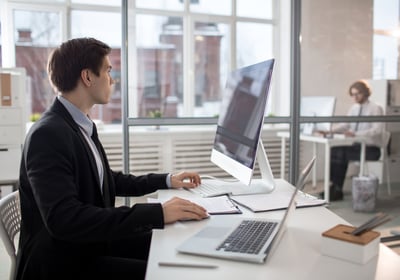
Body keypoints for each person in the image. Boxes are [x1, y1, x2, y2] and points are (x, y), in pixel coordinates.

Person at [16, 38, 209, 280]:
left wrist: (168, 180)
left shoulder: (78, 124)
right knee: (169, 271)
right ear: (88, 77)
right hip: (64, 263)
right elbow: (64, 219)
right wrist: (157, 213)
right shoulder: (48, 134)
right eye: (108, 71)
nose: (112, 79)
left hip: (89, 244)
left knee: (175, 246)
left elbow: (107, 180)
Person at [318, 80, 384, 201]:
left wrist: (355, 133)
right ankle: (334, 187)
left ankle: (336, 189)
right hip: (357, 146)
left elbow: (377, 130)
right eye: (353, 94)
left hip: (371, 149)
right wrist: (330, 131)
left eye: (357, 94)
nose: (355, 97)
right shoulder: (354, 108)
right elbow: (345, 124)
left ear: (365, 93)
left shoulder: (375, 108)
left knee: (341, 153)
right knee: (335, 150)